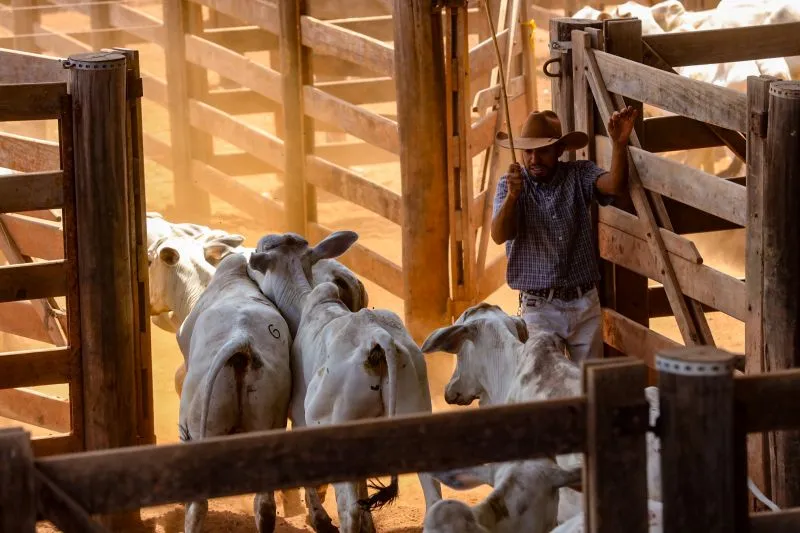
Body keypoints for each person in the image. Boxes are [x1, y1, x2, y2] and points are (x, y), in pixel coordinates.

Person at [490, 107, 637, 363]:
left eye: (543, 151)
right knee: (547, 386)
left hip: (584, 302)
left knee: (590, 384)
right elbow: (499, 235)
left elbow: (615, 185)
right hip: (539, 307)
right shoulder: (510, 184)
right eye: (529, 151)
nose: (534, 159)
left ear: (559, 151)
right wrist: (513, 197)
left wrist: (619, 144)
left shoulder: (578, 174)